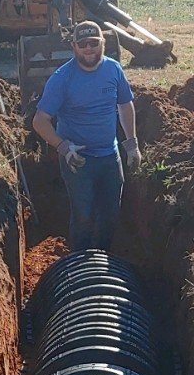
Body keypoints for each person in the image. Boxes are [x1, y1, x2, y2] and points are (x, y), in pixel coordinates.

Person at [32, 20, 142, 252]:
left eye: (93, 43)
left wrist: (131, 145)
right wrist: (63, 148)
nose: (89, 48)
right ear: (74, 46)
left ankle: (102, 258)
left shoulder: (113, 70)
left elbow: (125, 105)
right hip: (78, 160)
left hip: (110, 157)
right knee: (83, 215)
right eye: (83, 44)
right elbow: (40, 120)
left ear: (103, 43)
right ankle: (80, 259)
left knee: (111, 214)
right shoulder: (62, 79)